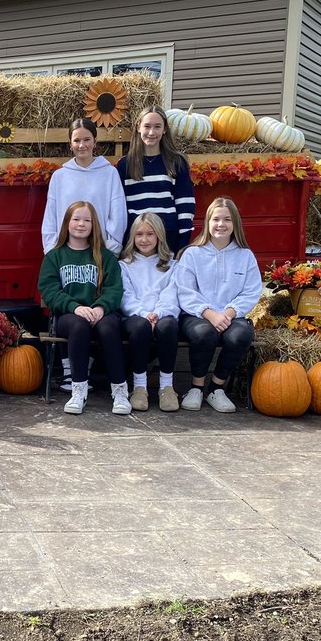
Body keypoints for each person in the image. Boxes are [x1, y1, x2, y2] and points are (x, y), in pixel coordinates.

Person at [172, 196, 262, 413]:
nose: (221, 224)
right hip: (197, 315)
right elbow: (184, 290)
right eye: (216, 219)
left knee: (240, 336)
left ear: (235, 224)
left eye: (227, 220)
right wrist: (210, 314)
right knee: (205, 334)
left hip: (232, 315)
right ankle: (196, 387)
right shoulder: (193, 253)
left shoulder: (245, 256)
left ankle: (216, 388)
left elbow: (251, 291)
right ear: (208, 223)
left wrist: (229, 313)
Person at [38, 201, 128, 415]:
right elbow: (49, 290)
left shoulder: (105, 257)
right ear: (67, 223)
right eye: (76, 219)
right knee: (79, 326)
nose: (81, 224)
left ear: (94, 225)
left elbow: (114, 289)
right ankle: (78, 390)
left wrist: (100, 307)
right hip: (69, 316)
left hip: (102, 313)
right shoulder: (55, 256)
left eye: (87, 220)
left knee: (108, 328)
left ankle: (120, 391)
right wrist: (74, 307)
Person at [119, 212, 180, 412]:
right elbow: (126, 296)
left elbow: (172, 294)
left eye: (150, 234)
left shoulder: (172, 265)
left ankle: (167, 387)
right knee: (140, 327)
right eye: (139, 234)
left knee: (169, 326)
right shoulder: (125, 264)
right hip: (135, 317)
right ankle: (139, 386)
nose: (144, 239)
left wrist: (158, 313)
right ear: (132, 237)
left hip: (162, 315)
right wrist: (144, 314)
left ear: (159, 236)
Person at [116, 106, 196, 254]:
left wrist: (183, 243)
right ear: (138, 127)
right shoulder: (125, 165)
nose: (151, 132)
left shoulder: (177, 162)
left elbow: (186, 206)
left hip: (168, 239)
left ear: (164, 129)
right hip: (136, 241)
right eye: (147, 126)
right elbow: (119, 209)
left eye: (157, 127)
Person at [41, 117, 126, 252]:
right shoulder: (59, 177)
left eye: (87, 139)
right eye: (77, 140)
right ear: (70, 144)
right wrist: (51, 249)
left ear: (95, 141)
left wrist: (112, 248)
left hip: (100, 250)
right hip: (66, 252)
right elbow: (51, 217)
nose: (82, 145)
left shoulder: (110, 173)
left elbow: (118, 215)